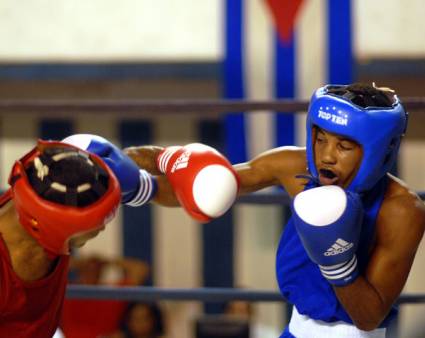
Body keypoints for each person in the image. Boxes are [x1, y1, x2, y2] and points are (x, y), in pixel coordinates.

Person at [65, 83, 425, 338]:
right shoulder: (292, 164)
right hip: (295, 330)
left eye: (344, 145)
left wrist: (337, 261)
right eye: (320, 137)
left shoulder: (402, 210)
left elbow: (368, 317)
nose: (326, 154)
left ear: (378, 150)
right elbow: (210, 185)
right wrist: (139, 176)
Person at [0, 140, 125, 337]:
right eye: (95, 221)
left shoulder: (43, 185)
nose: (102, 227)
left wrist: (162, 165)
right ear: (59, 227)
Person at [60, 254, 150, 338]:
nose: (91, 271)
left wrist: (107, 262)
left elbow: (141, 270)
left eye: (95, 269)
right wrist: (80, 262)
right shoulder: (68, 291)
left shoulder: (110, 294)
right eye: (88, 268)